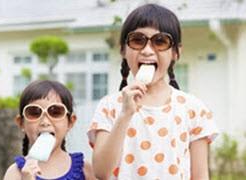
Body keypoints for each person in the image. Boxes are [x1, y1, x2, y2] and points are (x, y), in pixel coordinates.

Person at [87, 4, 219, 180]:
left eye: (160, 41)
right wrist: (125, 115)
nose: (147, 50)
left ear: (176, 52)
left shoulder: (193, 109)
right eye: (137, 40)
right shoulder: (109, 106)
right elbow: (101, 172)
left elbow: (201, 176)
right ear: (123, 50)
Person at [4, 80, 96, 180]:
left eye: (55, 112)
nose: (45, 122)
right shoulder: (15, 173)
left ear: (70, 122)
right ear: (21, 123)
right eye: (34, 112)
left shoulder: (86, 170)